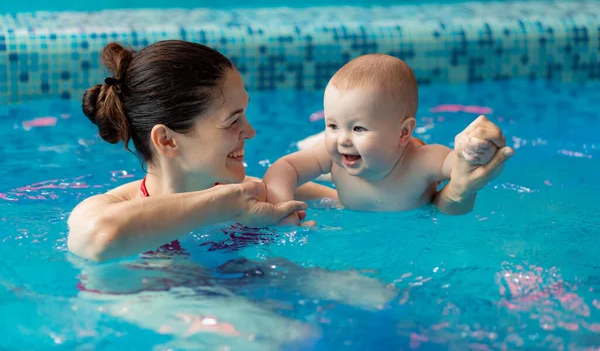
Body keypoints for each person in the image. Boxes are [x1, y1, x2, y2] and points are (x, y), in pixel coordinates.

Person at [68, 42, 510, 263]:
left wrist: (460, 187)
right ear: (167, 141)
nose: (251, 131)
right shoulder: (107, 209)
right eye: (232, 119)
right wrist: (231, 202)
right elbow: (99, 241)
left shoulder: (260, 195)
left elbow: (380, 205)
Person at [264, 54, 513, 224]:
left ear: (403, 133)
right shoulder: (330, 154)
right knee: (270, 186)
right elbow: (283, 168)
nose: (342, 140)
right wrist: (283, 213)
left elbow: (464, 167)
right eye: (333, 125)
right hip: (347, 204)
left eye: (358, 129)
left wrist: (473, 149)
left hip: (411, 225)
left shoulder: (423, 161)